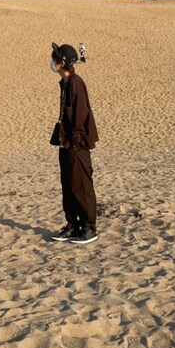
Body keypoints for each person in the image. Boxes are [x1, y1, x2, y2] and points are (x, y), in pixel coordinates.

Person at [49, 42, 99, 244]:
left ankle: (89, 228)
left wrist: (75, 142)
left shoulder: (76, 84)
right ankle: (73, 225)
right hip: (66, 143)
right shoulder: (65, 83)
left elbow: (80, 115)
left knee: (82, 186)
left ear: (62, 63)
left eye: (54, 58)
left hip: (77, 145)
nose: (52, 62)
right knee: (68, 185)